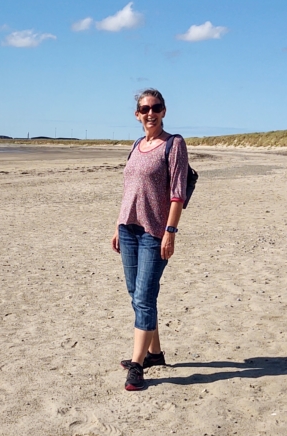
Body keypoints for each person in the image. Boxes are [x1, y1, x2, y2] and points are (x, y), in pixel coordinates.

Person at [111, 88, 189, 391]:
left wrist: (170, 232)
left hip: (154, 233)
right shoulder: (136, 145)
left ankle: (137, 365)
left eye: (155, 108)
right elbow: (130, 190)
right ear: (137, 114)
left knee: (143, 297)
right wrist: (118, 226)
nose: (150, 113)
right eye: (144, 109)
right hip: (128, 229)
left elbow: (177, 194)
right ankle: (154, 353)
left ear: (164, 111)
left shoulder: (174, 144)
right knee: (137, 294)